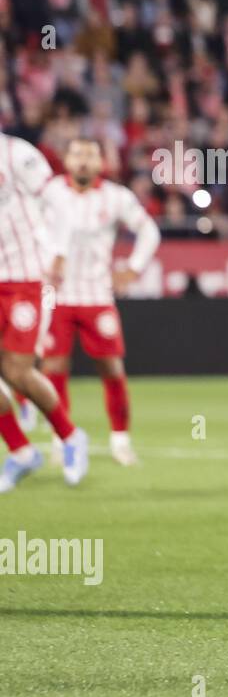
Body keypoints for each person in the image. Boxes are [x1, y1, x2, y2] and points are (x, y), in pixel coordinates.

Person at [42, 138, 161, 466]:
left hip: (97, 294)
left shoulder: (116, 197)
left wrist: (133, 270)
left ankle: (120, 440)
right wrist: (46, 257)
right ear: (66, 160)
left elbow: (149, 231)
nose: (83, 161)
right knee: (53, 368)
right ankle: (60, 438)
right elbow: (27, 225)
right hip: (57, 294)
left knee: (111, 367)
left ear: (101, 162)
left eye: (90, 155)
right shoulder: (49, 192)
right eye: (77, 153)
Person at [0, 131, 89, 491]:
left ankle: (70, 436)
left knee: (17, 371)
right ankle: (21, 452)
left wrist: (59, 253)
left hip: (23, 279)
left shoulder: (17, 154)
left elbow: (61, 202)